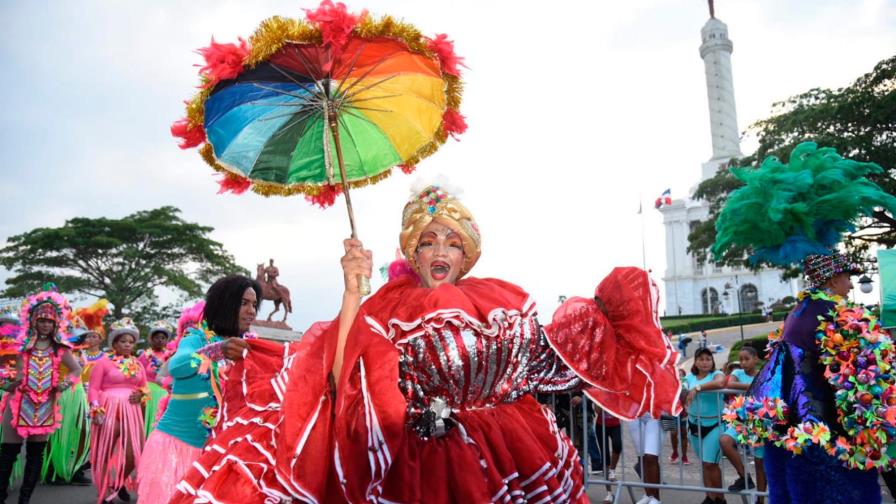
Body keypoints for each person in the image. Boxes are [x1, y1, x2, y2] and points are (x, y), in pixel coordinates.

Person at [170, 182, 682, 503]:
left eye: (452, 241)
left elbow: (547, 363)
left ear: (468, 253)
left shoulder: (502, 302)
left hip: (511, 451)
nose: (440, 249)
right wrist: (353, 292)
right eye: (428, 240)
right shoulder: (387, 306)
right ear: (412, 252)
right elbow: (342, 374)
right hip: (415, 459)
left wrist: (608, 323)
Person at [735, 254, 882, 503]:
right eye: (847, 278)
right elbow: (861, 369)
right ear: (833, 281)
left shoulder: (800, 310)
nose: (850, 285)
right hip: (821, 428)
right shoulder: (834, 312)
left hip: (793, 424)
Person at [136, 276, 261, 504]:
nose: (251, 311)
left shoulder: (249, 348)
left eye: (254, 305)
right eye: (244, 303)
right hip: (176, 452)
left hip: (219, 457)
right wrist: (217, 350)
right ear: (225, 304)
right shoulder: (196, 337)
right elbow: (179, 365)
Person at [0, 286, 82, 504]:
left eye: (50, 321)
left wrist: (63, 384)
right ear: (33, 321)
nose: (45, 324)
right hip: (18, 402)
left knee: (36, 454)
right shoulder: (19, 346)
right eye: (42, 320)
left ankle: (24, 499)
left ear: (56, 324)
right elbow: (3, 369)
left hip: (45, 404)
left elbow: (76, 370)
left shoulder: (60, 348)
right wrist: (6, 383)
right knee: (9, 451)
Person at [42, 299, 109, 486]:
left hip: (79, 393)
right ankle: (52, 469)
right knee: (56, 432)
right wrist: (60, 385)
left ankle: (75, 467)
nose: (80, 340)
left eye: (82, 337)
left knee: (83, 432)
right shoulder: (56, 347)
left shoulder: (83, 353)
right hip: (60, 394)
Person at [88, 318, 147, 503]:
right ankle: (104, 493)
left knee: (135, 451)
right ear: (114, 343)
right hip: (108, 410)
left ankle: (118, 482)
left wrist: (142, 396)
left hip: (132, 412)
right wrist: (96, 408)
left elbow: (145, 388)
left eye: (131, 342)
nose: (127, 345)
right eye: (123, 341)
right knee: (103, 452)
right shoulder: (103, 362)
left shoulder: (138, 364)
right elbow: (93, 388)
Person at [719, 346, 765, 499]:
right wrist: (754, 387)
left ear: (756, 359)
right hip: (741, 418)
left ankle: (760, 499)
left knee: (760, 463)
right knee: (725, 441)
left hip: (759, 421)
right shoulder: (737, 373)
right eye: (741, 359)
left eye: (747, 359)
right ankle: (744, 477)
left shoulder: (762, 374)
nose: (743, 363)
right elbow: (730, 384)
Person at [685, 347, 727, 504]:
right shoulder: (689, 377)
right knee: (704, 463)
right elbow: (680, 390)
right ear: (695, 361)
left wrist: (698, 388)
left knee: (711, 463)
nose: (704, 362)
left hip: (714, 425)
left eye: (708, 359)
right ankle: (710, 497)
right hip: (694, 425)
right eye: (701, 359)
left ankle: (720, 499)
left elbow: (721, 383)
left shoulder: (716, 374)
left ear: (712, 361)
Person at [137, 320, 174, 437]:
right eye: (157, 337)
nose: (160, 340)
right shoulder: (144, 356)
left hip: (165, 394)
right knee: (145, 423)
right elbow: (138, 375)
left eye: (163, 338)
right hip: (148, 394)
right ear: (151, 339)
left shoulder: (171, 355)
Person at [626, 415, 664, 504]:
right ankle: (648, 494)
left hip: (655, 413)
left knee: (651, 456)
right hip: (635, 413)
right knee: (642, 457)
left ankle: (656, 498)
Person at [594, 404, 622, 503]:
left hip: (615, 424)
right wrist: (600, 402)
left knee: (617, 446)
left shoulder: (616, 390)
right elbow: (597, 411)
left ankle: (612, 470)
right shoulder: (600, 391)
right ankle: (609, 493)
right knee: (605, 457)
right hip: (601, 425)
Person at [662, 368, 690, 465]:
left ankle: (684, 456)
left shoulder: (686, 383)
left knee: (683, 433)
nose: (679, 376)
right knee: (673, 433)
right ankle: (675, 452)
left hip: (682, 411)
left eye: (681, 374)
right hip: (670, 411)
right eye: (677, 374)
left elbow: (687, 394)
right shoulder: (667, 382)